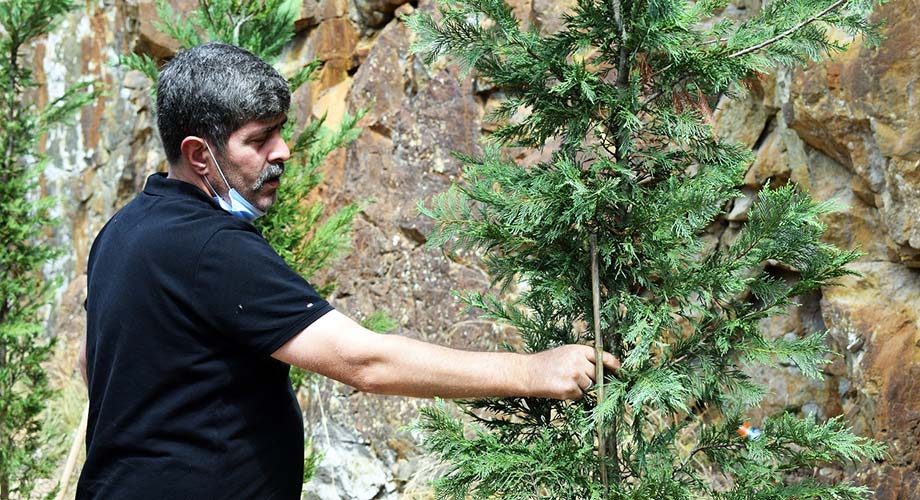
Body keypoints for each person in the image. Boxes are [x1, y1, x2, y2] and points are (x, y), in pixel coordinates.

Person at [77, 42, 619, 499]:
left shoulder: (122, 231)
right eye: (259, 139)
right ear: (199, 154)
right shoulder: (213, 248)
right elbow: (363, 361)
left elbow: (91, 363)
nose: (283, 151)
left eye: (280, 132)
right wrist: (530, 373)